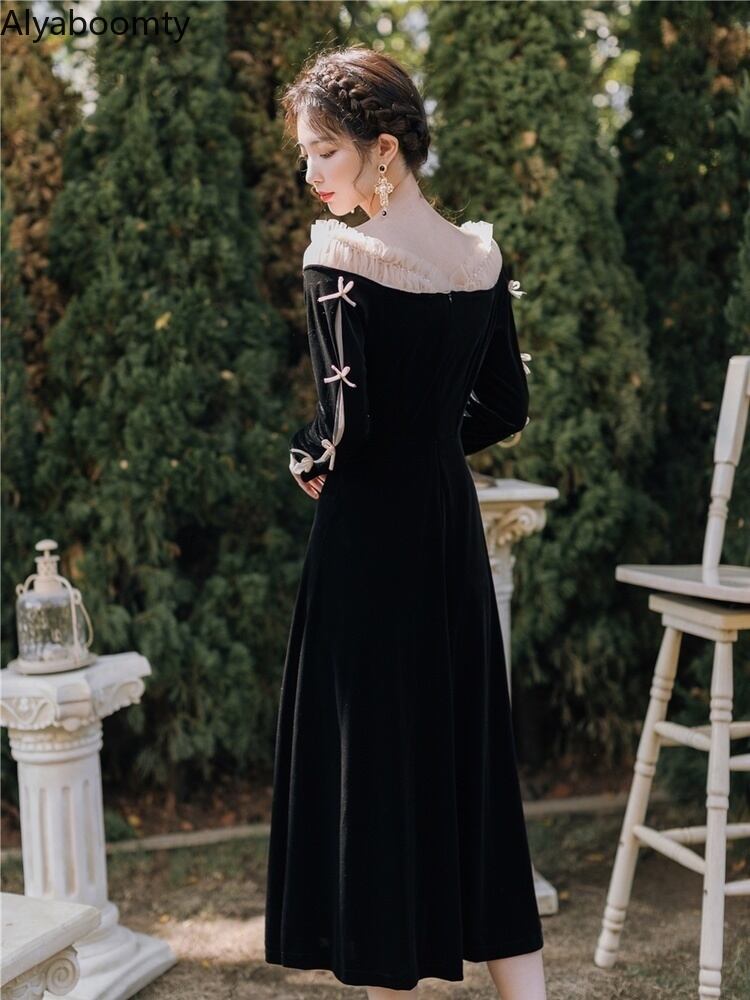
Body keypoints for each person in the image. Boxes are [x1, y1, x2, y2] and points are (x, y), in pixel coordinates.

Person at [264, 45, 547, 1000]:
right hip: (447, 532)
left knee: (375, 775)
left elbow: (340, 426)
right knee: (471, 770)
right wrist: (428, 443)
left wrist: (305, 458)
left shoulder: (338, 257)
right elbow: (505, 406)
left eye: (324, 152)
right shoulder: (480, 257)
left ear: (382, 149)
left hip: (367, 546)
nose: (311, 174)